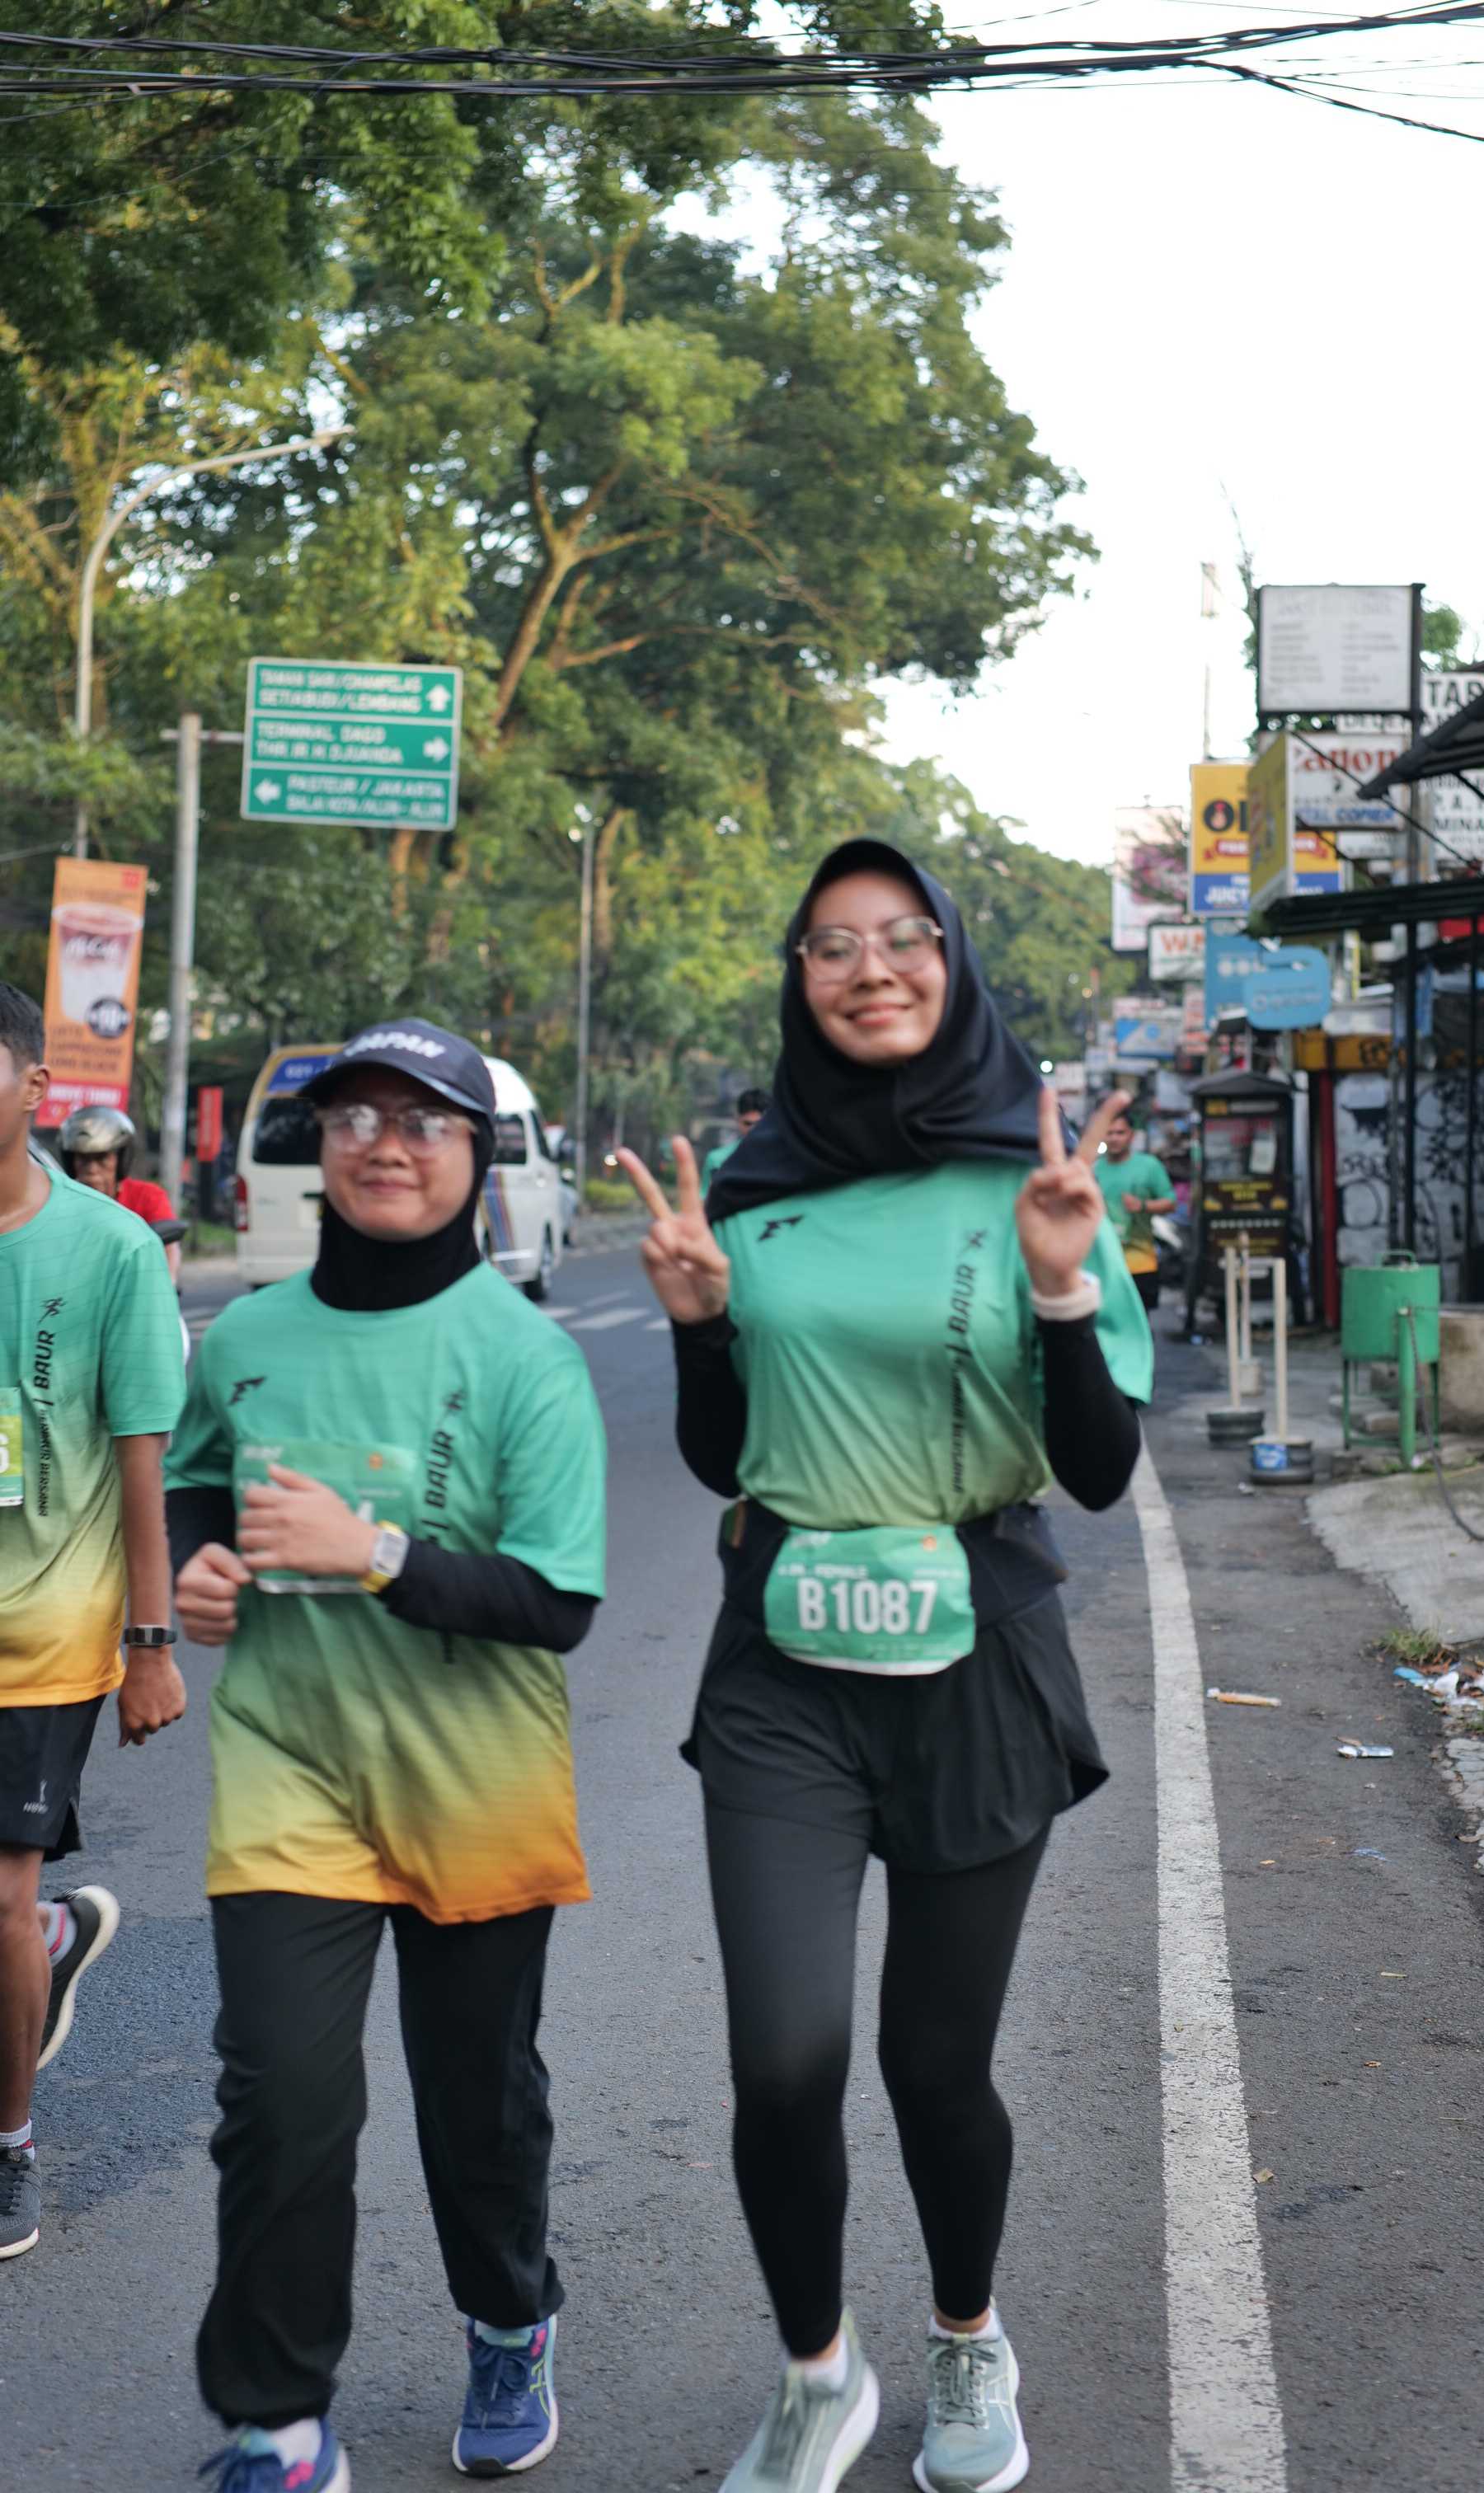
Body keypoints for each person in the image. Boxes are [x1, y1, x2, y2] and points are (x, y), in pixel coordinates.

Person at [619, 842, 1152, 2493]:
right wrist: (699, 1321)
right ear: (799, 980)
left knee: (935, 2063)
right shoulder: (753, 1185)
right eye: (832, 945)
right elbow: (725, 1459)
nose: (871, 969)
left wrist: (1059, 1290)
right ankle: (816, 2373)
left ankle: (968, 2336)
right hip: (783, 1663)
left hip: (976, 1654)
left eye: (903, 936)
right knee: (781, 2055)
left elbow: (1100, 1473)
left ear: (952, 961)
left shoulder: (1035, 1179)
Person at [164, 1017, 608, 2492]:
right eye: (355, 1116)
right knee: (282, 2097)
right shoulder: (249, 1338)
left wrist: (376, 1552)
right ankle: (280, 2418)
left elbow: (556, 1603)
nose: (385, 1145)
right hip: (288, 1765)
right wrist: (200, 1568)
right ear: (322, 1147)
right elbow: (194, 1490)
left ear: (477, 1154)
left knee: (477, 2101)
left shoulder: (527, 1355)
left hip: (474, 1776)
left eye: (423, 1121)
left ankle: (510, 2317)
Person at [0, 983, 187, 2264]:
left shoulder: (111, 1249)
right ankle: (54, 1939)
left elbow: (139, 1458)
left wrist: (151, 1644)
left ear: (33, 1089)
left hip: (47, 1624)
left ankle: (9, 2142)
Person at [57, 1102, 183, 1287]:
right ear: (71, 1162)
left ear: (122, 1160)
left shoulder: (147, 1196)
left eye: (102, 1158)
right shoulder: (58, 1204)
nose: (92, 1169)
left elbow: (169, 1249)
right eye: (83, 1159)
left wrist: (167, 1285)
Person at [1092, 1106, 1176, 1316]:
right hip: (1104, 1264)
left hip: (1141, 1263)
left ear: (1132, 1135)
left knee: (1140, 1322)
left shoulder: (1149, 1166)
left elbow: (1170, 1203)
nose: (1114, 1138)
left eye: (1120, 1133)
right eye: (1109, 1133)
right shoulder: (1093, 1170)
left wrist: (1143, 1206)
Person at [704, 1087, 771, 1186]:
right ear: (738, 1120)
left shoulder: (786, 1160)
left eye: (759, 1124)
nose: (753, 1129)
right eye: (748, 1123)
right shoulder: (717, 1161)